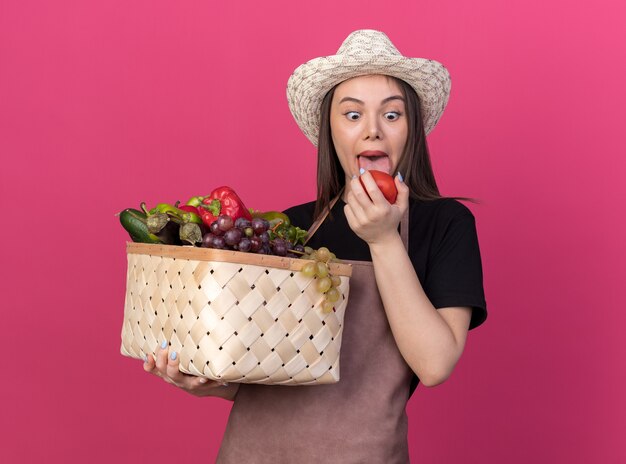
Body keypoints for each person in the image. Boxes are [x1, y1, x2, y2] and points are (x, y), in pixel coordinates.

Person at [143, 29, 487, 462]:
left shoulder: (445, 224)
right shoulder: (294, 228)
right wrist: (208, 381)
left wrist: (383, 240)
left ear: (411, 129)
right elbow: (269, 365)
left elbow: (435, 365)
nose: (373, 132)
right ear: (331, 130)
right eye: (353, 115)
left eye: (393, 115)